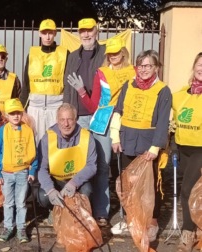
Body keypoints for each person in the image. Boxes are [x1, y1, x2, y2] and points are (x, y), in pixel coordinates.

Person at [110, 50, 171, 241]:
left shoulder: (163, 90)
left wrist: (155, 148)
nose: (144, 70)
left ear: (156, 67)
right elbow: (118, 111)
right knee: (128, 182)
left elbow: (163, 121)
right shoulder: (128, 85)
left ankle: (151, 221)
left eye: (148, 65)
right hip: (127, 139)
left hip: (148, 143)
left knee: (150, 184)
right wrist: (115, 137)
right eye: (141, 65)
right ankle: (131, 218)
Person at [79, 37, 136, 226]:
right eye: (109, 53)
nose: (113, 56)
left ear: (123, 52)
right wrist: (81, 92)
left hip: (126, 122)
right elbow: (94, 104)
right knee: (102, 167)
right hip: (103, 123)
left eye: (116, 52)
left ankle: (130, 211)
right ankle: (102, 211)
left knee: (126, 169)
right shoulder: (101, 73)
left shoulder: (134, 72)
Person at [63, 18, 107, 224]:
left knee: (101, 164)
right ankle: (79, 209)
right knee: (78, 164)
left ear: (96, 31)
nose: (86, 35)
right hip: (78, 117)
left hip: (99, 116)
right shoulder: (72, 57)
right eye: (82, 31)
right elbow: (66, 89)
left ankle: (100, 211)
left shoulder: (106, 54)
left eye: (89, 30)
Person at [37, 103, 97, 217]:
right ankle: (54, 210)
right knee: (42, 196)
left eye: (69, 119)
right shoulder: (47, 138)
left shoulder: (87, 137)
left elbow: (92, 166)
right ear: (57, 120)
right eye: (62, 120)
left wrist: (74, 183)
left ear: (76, 119)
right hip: (56, 179)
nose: (66, 124)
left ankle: (78, 213)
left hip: (78, 180)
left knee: (87, 191)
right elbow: (41, 168)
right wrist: (50, 190)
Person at [0, 98, 37, 243]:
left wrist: (32, 171)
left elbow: (34, 153)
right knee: (8, 202)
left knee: (21, 202)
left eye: (18, 112)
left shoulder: (28, 131)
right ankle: (8, 227)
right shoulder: (1, 132)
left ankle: (21, 228)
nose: (16, 116)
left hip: (22, 172)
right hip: (6, 173)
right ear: (6, 115)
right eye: (12, 113)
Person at [171, 52, 202, 251]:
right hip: (182, 147)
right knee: (192, 190)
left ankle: (188, 234)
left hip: (200, 149)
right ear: (194, 66)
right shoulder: (180, 94)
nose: (201, 69)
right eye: (199, 64)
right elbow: (173, 120)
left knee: (187, 190)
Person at [20, 19, 68, 143]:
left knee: (56, 142)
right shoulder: (32, 53)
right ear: (40, 33)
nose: (47, 36)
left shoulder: (64, 53)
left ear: (55, 33)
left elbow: (68, 85)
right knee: (35, 143)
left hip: (55, 106)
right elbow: (26, 84)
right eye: (44, 33)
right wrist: (21, 110)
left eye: (50, 33)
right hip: (35, 107)